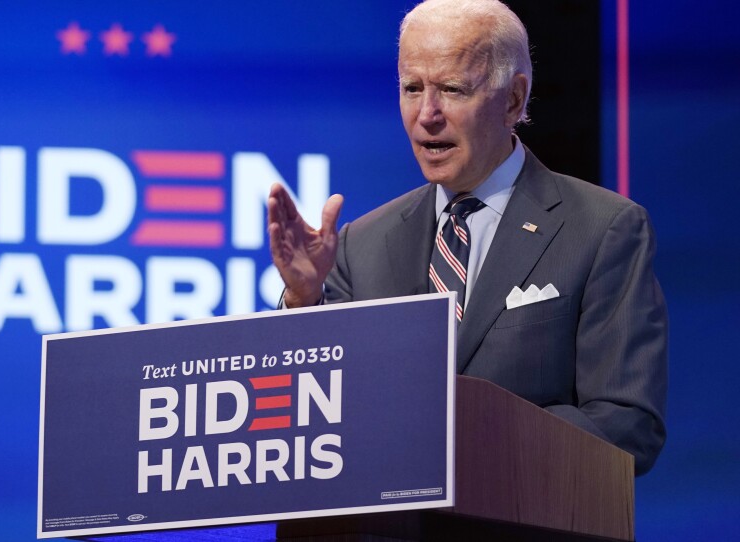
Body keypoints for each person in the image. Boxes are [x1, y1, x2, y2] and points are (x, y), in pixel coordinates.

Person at [267, 0, 667, 475]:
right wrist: (303, 299)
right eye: (412, 88)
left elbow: (627, 425)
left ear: (514, 100)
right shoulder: (363, 243)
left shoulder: (602, 229)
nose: (427, 114)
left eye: (452, 89)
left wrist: (468, 442)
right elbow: (311, 412)